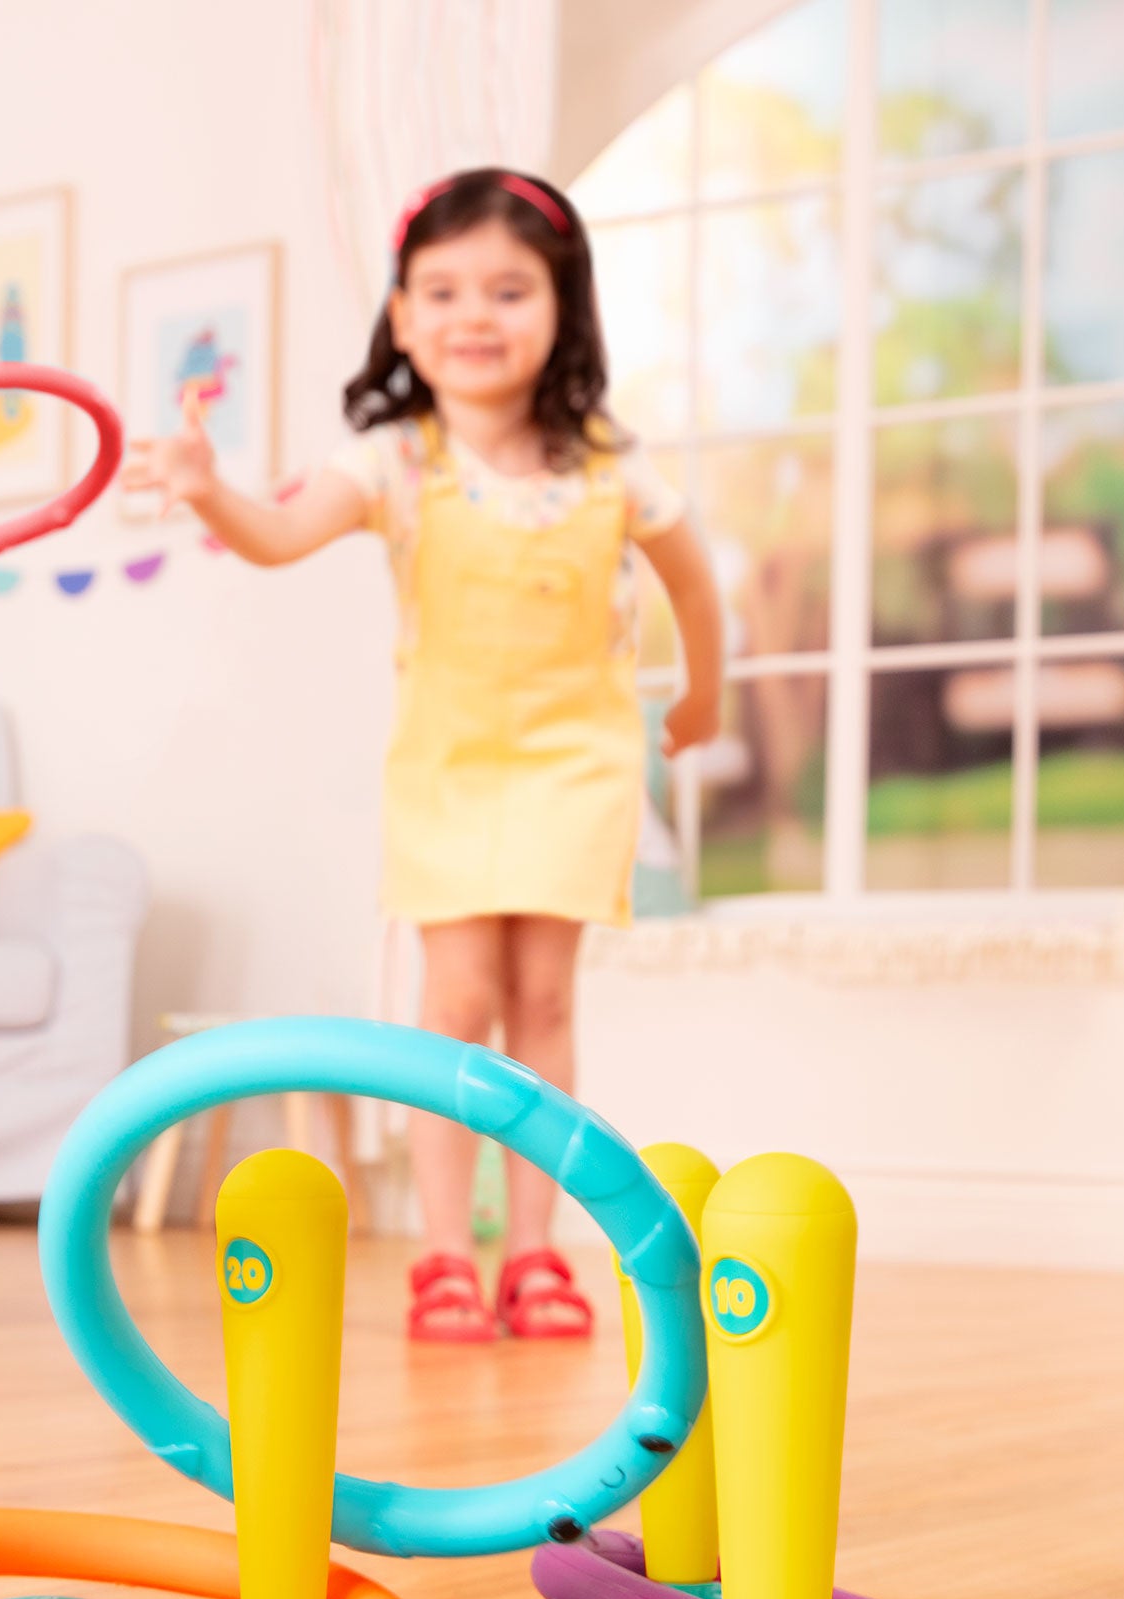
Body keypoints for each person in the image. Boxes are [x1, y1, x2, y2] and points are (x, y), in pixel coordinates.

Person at [124, 166, 725, 1342]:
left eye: (509, 290)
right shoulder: (395, 460)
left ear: (563, 308)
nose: (474, 316)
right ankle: (448, 1253)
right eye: (441, 291)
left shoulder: (608, 461)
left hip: (574, 767)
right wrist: (207, 491)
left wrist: (704, 696)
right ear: (401, 317)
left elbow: (696, 583)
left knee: (545, 999)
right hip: (450, 773)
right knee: (457, 1000)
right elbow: (281, 535)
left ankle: (536, 1253)